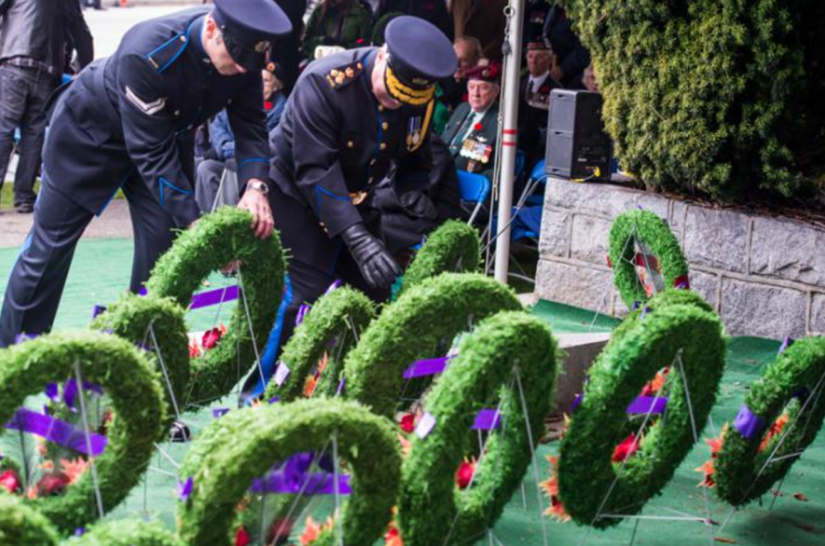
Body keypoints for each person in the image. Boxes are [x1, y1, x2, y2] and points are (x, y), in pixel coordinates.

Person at [0, 0, 292, 348]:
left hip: (165, 139)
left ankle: (137, 357)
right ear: (212, 29)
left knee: (163, 257)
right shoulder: (149, 50)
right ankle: (13, 361)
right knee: (49, 252)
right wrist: (197, 224)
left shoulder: (242, 58)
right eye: (235, 59)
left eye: (250, 62)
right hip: (90, 137)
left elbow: (251, 126)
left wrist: (256, 187)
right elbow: (150, 155)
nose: (243, 71)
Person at [255, 16, 458, 398]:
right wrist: (358, 239)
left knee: (373, 291)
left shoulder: (417, 99)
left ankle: (355, 396)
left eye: (404, 100)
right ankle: (262, 398)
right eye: (390, 93)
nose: (395, 103)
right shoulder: (325, 82)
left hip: (358, 196)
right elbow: (315, 170)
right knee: (301, 297)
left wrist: (413, 190)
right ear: (382, 56)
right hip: (296, 194)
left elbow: (416, 157)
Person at [0, 0, 94, 213]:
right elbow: (83, 36)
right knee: (34, 134)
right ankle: (23, 197)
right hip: (48, 70)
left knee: (4, 129)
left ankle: (23, 196)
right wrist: (83, 71)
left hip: (15, 62)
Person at [196, 67, 287, 213]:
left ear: (276, 85)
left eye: (266, 81)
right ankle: (208, 222)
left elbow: (265, 145)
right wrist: (231, 149)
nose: (262, 85)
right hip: (227, 159)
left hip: (258, 167)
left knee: (229, 166)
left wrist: (230, 149)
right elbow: (219, 136)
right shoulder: (229, 101)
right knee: (203, 167)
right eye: (260, 80)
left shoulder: (279, 109)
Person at [441, 62, 501, 181]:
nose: (475, 94)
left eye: (483, 88)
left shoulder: (501, 121)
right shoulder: (462, 108)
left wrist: (474, 185)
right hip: (440, 175)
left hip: (466, 186)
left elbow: (499, 170)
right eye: (472, 87)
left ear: (496, 91)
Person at [519, 41, 560, 165]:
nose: (533, 61)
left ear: (549, 61)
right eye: (530, 56)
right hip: (518, 140)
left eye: (539, 57)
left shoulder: (556, 89)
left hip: (538, 147)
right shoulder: (520, 82)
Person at [302, 0, 373, 61]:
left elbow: (364, 42)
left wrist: (347, 47)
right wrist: (322, 41)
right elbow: (306, 41)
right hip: (318, 62)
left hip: (346, 63)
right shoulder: (319, 11)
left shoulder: (360, 14)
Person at [377, 0, 453, 42]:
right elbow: (377, 25)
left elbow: (445, 35)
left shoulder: (436, 3)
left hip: (422, 55)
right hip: (391, 51)